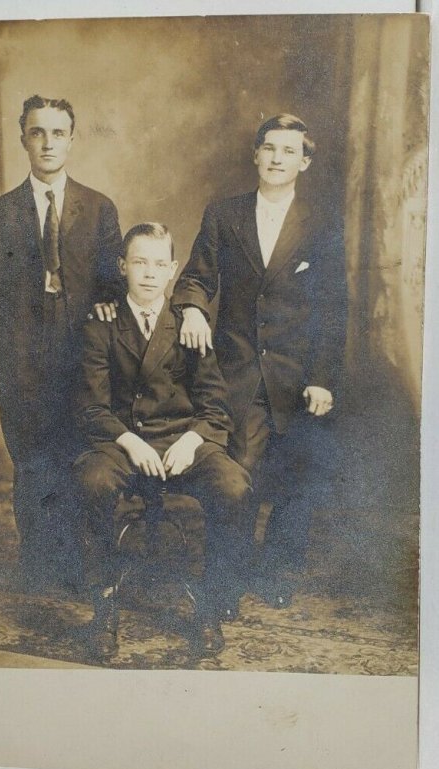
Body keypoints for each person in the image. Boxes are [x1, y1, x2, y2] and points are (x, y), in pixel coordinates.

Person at [172, 113, 347, 610]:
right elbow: (196, 276)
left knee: (296, 480)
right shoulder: (224, 214)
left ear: (305, 162)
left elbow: (335, 307)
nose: (276, 158)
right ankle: (225, 583)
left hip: (298, 377)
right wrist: (190, 308)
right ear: (255, 154)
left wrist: (322, 379)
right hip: (241, 372)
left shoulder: (322, 223)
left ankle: (276, 576)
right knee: (238, 478)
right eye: (269, 148)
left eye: (289, 151)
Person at [73, 223, 252, 659]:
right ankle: (105, 604)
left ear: (173, 270)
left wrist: (193, 440)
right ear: (122, 267)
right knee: (90, 481)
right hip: (123, 442)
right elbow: (91, 408)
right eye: (139, 262)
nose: (149, 274)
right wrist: (130, 442)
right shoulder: (101, 326)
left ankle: (211, 602)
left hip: (181, 441)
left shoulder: (189, 325)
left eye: (158, 264)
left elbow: (215, 408)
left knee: (235, 487)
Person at [0, 95, 123, 590]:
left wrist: (105, 301)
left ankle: (80, 566)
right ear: (23, 140)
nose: (48, 143)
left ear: (72, 140)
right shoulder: (0, 213)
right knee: (33, 464)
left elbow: (112, 280)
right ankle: (38, 566)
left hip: (82, 359)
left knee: (79, 460)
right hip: (21, 359)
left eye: (58, 133)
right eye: (38, 133)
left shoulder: (99, 208)